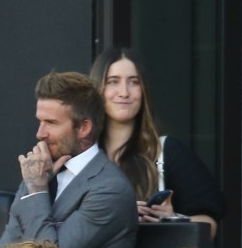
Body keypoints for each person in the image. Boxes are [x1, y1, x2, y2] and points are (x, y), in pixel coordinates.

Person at [0, 70, 138, 248]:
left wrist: (37, 190)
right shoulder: (39, 175)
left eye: (51, 123)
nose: (40, 133)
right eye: (40, 121)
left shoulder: (110, 189)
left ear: (83, 128)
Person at [90, 47, 225, 236]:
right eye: (113, 82)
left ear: (144, 90)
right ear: (97, 89)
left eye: (134, 82)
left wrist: (173, 219)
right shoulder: (81, 156)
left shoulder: (166, 151)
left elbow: (209, 225)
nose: (124, 92)